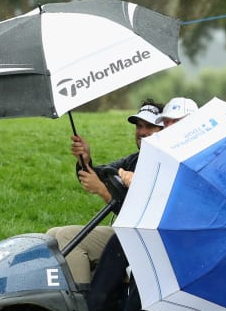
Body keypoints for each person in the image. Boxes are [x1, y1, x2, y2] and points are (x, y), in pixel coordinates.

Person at [94, 96, 199, 311]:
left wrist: (139, 183)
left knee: (147, 242)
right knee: (124, 239)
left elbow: (174, 199)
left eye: (176, 122)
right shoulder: (164, 155)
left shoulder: (197, 156)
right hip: (173, 231)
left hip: (195, 234)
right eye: (167, 122)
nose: (169, 128)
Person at [45, 100, 163, 286]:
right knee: (52, 234)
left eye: (150, 126)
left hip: (146, 241)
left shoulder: (164, 166)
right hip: (126, 235)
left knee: (67, 236)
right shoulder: (135, 160)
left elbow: (140, 220)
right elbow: (97, 174)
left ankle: (85, 308)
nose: (142, 132)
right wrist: (85, 160)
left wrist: (102, 190)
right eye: (139, 126)